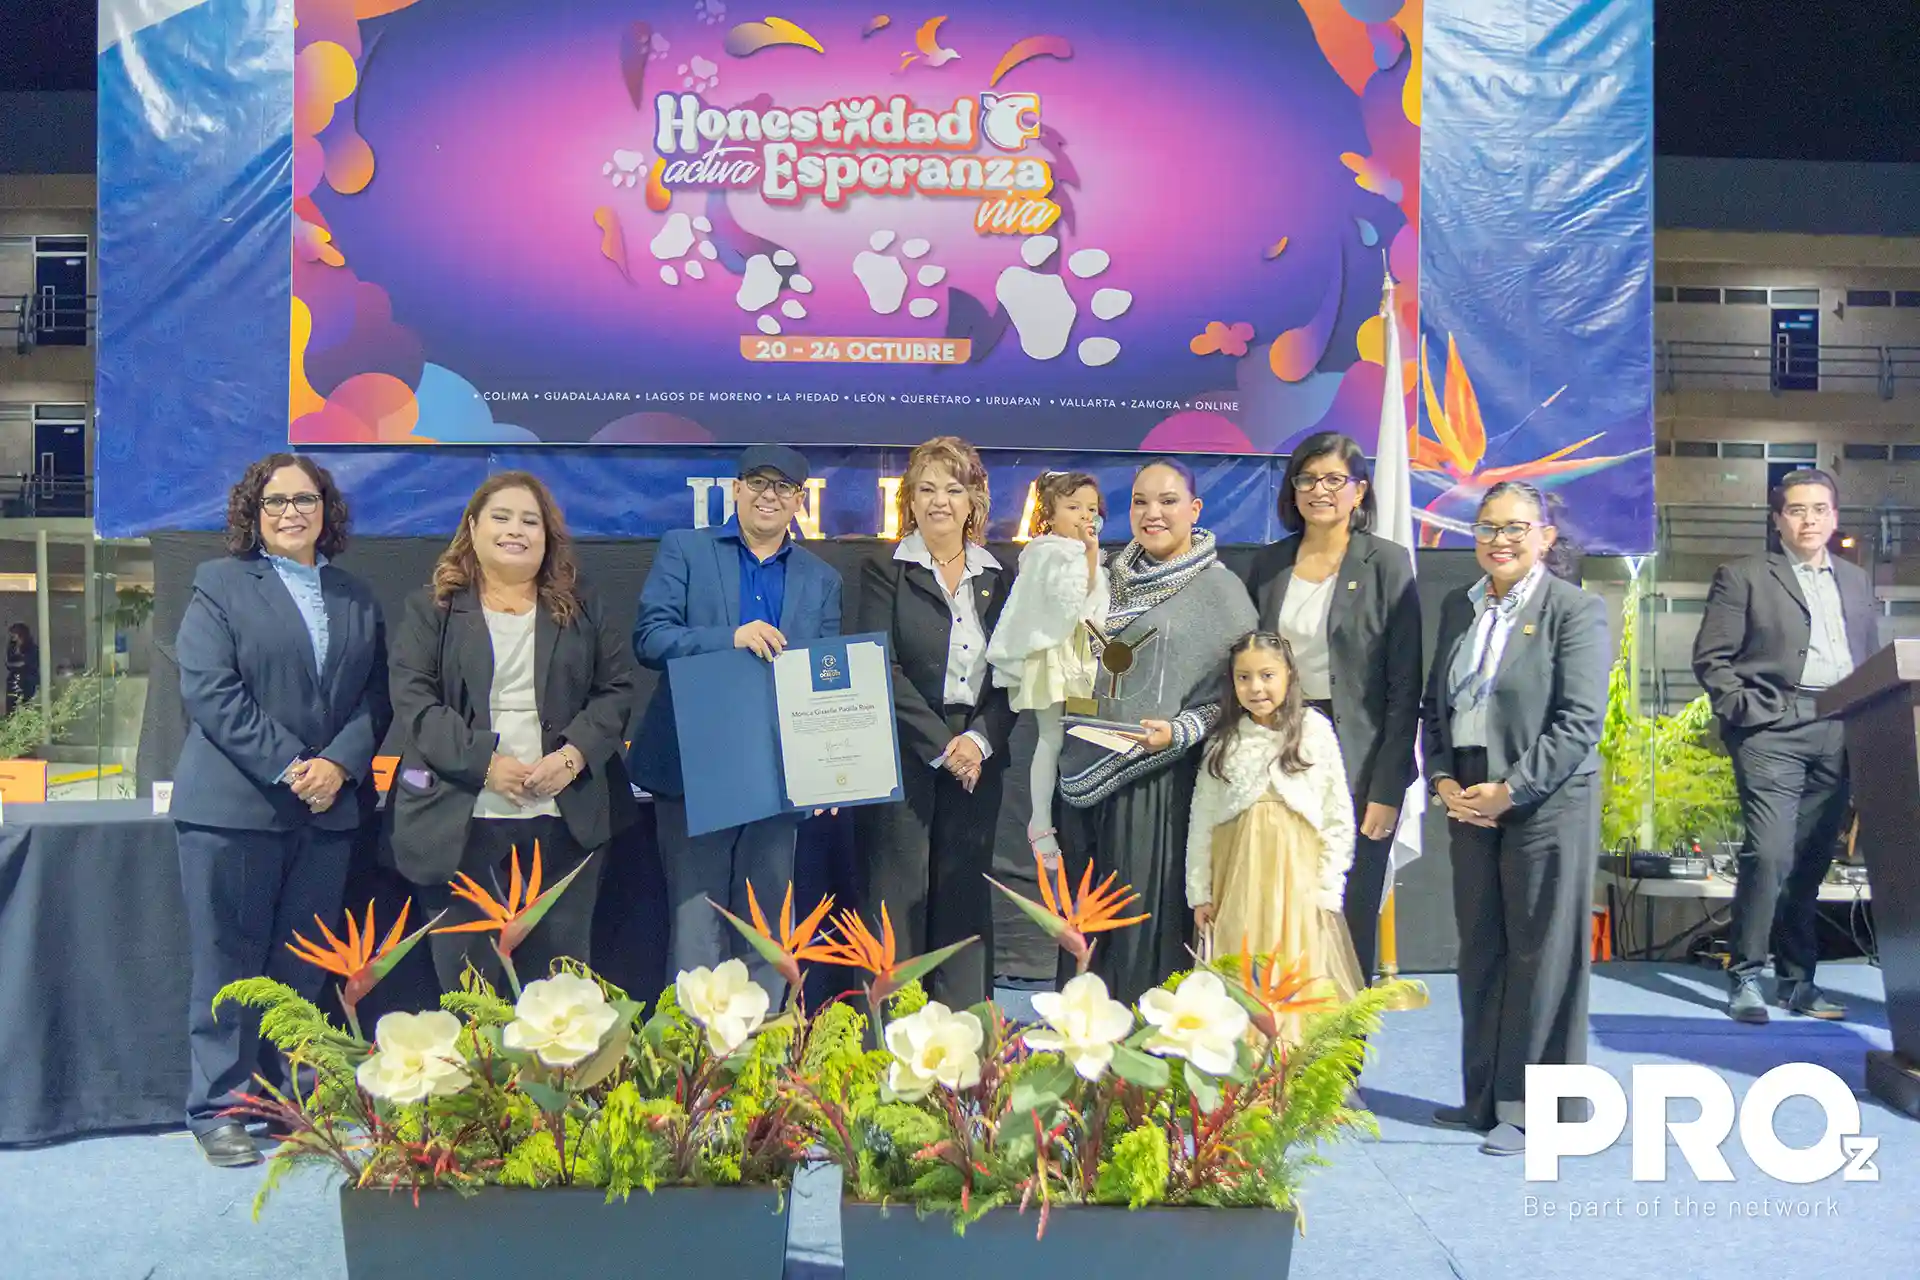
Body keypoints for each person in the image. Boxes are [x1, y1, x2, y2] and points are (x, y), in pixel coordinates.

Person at [173, 455, 389, 1167]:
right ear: (253, 512)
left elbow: (375, 698)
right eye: (276, 501)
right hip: (234, 809)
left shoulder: (356, 595)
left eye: (305, 499)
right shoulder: (220, 584)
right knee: (229, 964)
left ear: (327, 510)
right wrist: (297, 767)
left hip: (326, 812)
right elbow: (211, 690)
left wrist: (339, 766)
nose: (292, 511)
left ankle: (288, 1099)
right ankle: (220, 1110)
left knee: (301, 969)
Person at [389, 472, 637, 992]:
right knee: (470, 992)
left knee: (559, 995)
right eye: (501, 518)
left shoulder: (583, 604)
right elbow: (416, 703)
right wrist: (484, 766)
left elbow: (616, 690)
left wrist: (571, 757)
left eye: (530, 521)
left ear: (547, 536)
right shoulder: (432, 608)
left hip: (564, 822)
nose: (515, 531)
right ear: (473, 528)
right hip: (460, 822)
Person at [1421, 480, 1608, 1157]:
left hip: (1547, 799)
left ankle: (1536, 1113)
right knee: (1483, 949)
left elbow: (1579, 722)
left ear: (1545, 537)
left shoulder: (1576, 610)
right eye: (1487, 527)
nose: (1499, 540)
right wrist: (1443, 779)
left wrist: (1512, 790)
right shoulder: (1459, 606)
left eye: (1515, 528)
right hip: (1470, 796)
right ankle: (1483, 1099)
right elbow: (1435, 707)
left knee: (1543, 955)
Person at [629, 445, 842, 1000]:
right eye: (759, 482)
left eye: (783, 487)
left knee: (766, 925)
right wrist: (730, 638)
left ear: (799, 501)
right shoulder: (686, 550)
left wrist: (829, 767)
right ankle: (692, 1045)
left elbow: (826, 679)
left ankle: (763, 1044)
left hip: (777, 773)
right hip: (694, 766)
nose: (770, 495)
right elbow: (650, 638)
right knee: (695, 922)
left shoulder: (821, 579)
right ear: (737, 489)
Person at [1055, 459, 1258, 1004]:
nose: (1153, 513)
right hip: (1080, 771)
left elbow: (1241, 695)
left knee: (1139, 934)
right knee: (1081, 931)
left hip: (1159, 783)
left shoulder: (1221, 592)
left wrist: (1182, 730)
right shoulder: (1102, 577)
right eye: (1140, 501)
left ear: (1194, 509)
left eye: (1168, 501)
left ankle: (1142, 1049)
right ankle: (1080, 1046)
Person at [1692, 468, 1879, 1025]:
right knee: (1771, 852)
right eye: (1796, 510)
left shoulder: (1855, 580)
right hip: (1771, 727)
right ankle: (1746, 974)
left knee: (1811, 860)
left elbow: (1870, 656)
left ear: (1835, 517)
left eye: (1820, 509)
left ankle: (1797, 981)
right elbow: (1711, 658)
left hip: (1840, 726)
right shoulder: (1744, 575)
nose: (1809, 520)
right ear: (1778, 520)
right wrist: (1746, 710)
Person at [1242, 432, 1421, 981]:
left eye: (1334, 480)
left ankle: (1344, 1035)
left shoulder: (1386, 563)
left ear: (1359, 491)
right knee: (1282, 903)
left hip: (1358, 762)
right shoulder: (1269, 564)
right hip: (1279, 750)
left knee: (1347, 911)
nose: (1319, 490)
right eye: (1307, 479)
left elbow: (1405, 686)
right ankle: (1283, 1034)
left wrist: (1387, 790)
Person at [856, 436, 1012, 1008]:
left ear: (974, 501)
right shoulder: (885, 569)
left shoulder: (1003, 577)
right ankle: (889, 1033)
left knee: (963, 898)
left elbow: (1017, 675)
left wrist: (977, 741)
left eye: (953, 489)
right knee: (894, 897)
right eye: (926, 489)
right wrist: (943, 745)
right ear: (910, 501)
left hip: (978, 754)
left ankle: (964, 1037)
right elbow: (879, 663)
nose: (939, 501)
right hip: (905, 749)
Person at [1186, 632, 1363, 1042]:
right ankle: (1242, 1064)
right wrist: (1200, 891)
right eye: (1244, 677)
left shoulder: (1314, 731)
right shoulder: (1225, 741)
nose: (1256, 687)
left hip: (1296, 884)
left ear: (1289, 675)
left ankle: (1288, 1062)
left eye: (1267, 675)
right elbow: (1203, 818)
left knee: (1294, 963)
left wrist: (1329, 885)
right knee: (1239, 961)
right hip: (1238, 878)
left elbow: (1337, 813)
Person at [984, 470, 1109, 867]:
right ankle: (1040, 823)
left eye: (1091, 509)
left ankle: (1077, 816)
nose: (1084, 516)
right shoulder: (1047, 553)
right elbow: (1066, 601)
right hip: (1054, 658)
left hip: (1081, 660)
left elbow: (1094, 608)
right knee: (1052, 737)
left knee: (1082, 735)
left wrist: (1091, 555)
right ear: (1049, 515)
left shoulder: (1082, 554)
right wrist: (1089, 554)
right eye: (1073, 507)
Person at [5, 623, 38, 716]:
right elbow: (8, 663)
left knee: (27, 704)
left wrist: (16, 664)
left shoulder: (32, 648)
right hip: (14, 679)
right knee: (12, 704)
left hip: (28, 679)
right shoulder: (12, 647)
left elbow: (25, 663)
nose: (12, 635)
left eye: (14, 633)